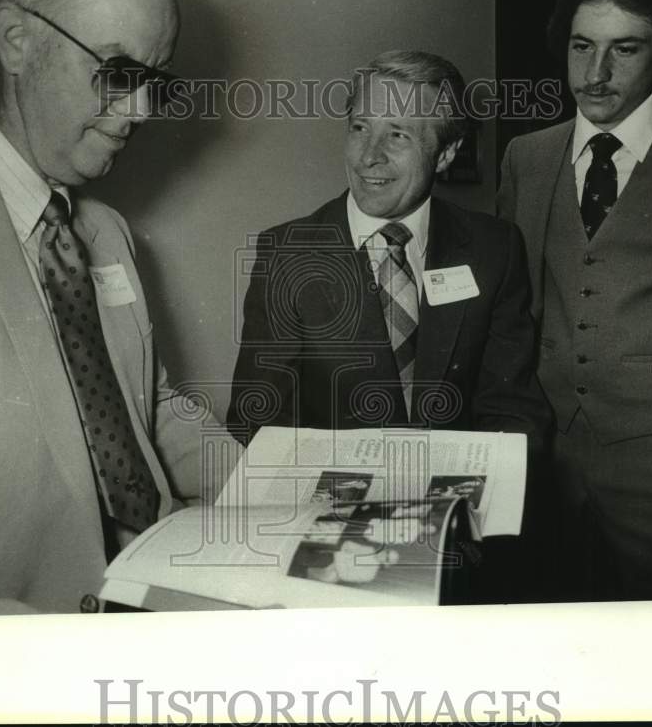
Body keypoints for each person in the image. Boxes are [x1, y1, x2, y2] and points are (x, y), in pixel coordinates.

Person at [0, 0, 226, 615]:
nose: (140, 112)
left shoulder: (102, 232)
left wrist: (277, 486)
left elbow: (145, 408)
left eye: (152, 82)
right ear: (16, 38)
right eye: (117, 71)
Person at [229, 51, 552, 601]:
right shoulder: (287, 253)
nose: (369, 156)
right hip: (329, 549)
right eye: (359, 127)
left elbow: (514, 408)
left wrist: (474, 514)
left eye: (398, 134)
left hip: (457, 540)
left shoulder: (494, 249)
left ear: (446, 152)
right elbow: (256, 414)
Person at [497, 0, 652, 600]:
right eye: (580, 45)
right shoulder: (525, 158)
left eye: (625, 48)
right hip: (550, 478)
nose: (595, 73)